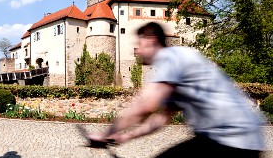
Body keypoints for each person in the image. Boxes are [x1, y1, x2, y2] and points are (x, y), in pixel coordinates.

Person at [88, 22, 265, 158]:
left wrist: (106, 133)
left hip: (230, 138)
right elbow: (160, 119)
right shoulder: (175, 68)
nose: (138, 51)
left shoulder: (171, 57)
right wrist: (126, 137)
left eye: (139, 45)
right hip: (237, 138)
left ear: (152, 40)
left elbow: (145, 106)